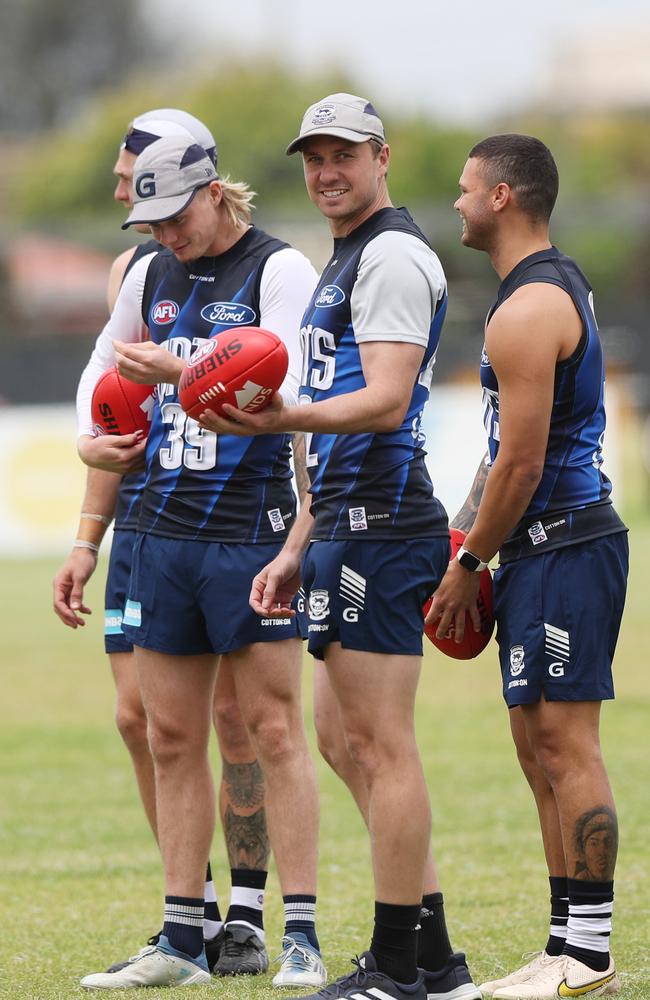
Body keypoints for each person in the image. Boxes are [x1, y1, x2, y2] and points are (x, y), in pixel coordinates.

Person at [198, 93, 481, 1000]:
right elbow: (341, 427)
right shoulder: (344, 259)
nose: (326, 171)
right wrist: (293, 544)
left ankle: (401, 964)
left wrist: (279, 418)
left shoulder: (393, 253)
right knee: (341, 740)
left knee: (379, 743)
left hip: (387, 525)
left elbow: (390, 400)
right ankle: (433, 953)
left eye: (344, 155)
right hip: (344, 522)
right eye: (313, 157)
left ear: (382, 157)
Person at [69, 134, 324, 990]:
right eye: (150, 222)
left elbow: (287, 390)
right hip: (162, 536)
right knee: (168, 734)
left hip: (250, 532)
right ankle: (182, 940)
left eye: (174, 217)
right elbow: (104, 365)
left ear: (214, 193)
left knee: (275, 732)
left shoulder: (280, 269)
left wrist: (178, 368)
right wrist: (87, 438)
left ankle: (300, 937)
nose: (164, 235)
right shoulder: (147, 274)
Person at [427, 134, 627, 1000]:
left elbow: (523, 464)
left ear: (505, 196)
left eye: (469, 190)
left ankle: (589, 954)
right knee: (533, 746)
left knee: (566, 744)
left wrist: (468, 559)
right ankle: (561, 945)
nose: (460, 203)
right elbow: (496, 458)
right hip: (538, 548)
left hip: (568, 544)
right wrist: (462, 539)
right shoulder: (530, 293)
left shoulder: (528, 309)